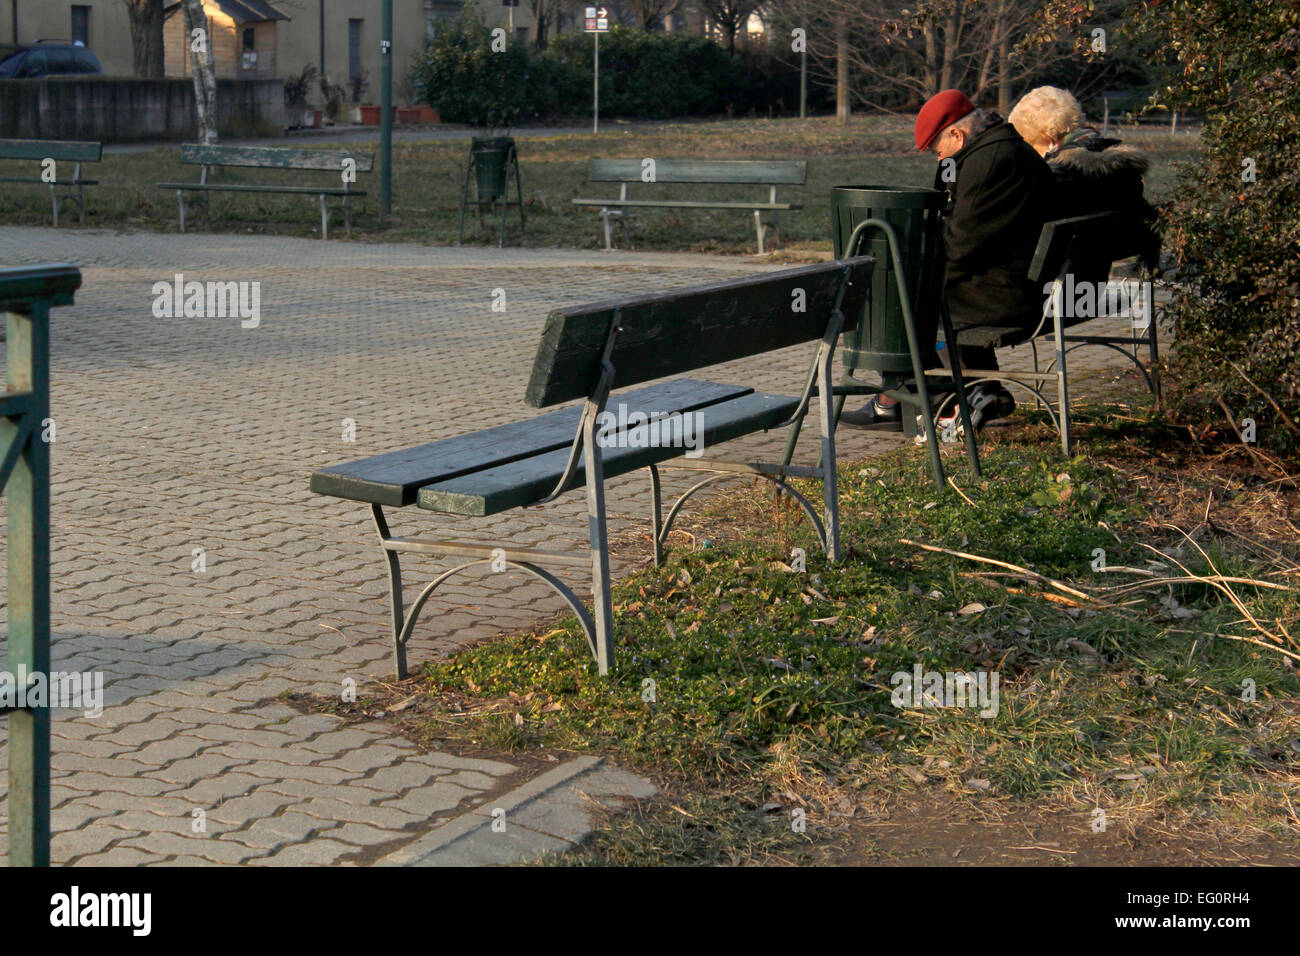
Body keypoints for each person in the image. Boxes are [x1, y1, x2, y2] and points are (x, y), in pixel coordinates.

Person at [841, 89, 1054, 433]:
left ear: (957, 134)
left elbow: (960, 248)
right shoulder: (1000, 149)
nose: (939, 160)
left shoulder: (990, 163)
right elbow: (959, 219)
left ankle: (905, 399)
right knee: (910, 291)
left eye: (937, 150)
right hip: (1017, 282)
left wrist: (911, 277)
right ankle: (980, 388)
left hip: (1003, 295)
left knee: (895, 299)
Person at [1007, 86, 1161, 270]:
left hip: (1048, 277)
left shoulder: (1058, 177)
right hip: (1095, 268)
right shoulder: (1124, 167)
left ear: (1049, 139)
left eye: (1031, 145)